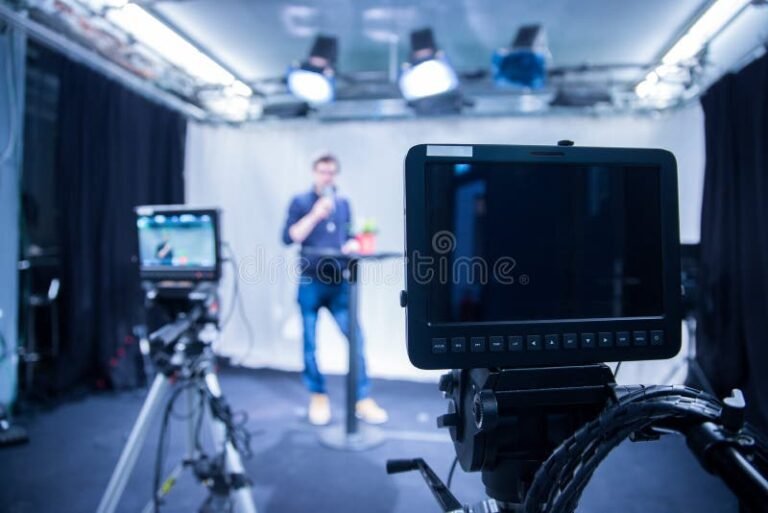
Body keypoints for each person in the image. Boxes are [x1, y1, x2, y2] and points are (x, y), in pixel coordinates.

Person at [282, 153, 388, 426]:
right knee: (309, 342)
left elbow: (348, 236)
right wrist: (315, 214)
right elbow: (290, 237)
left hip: (339, 282)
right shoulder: (301, 202)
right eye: (322, 172)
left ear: (335, 175)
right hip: (310, 282)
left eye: (331, 172)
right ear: (314, 173)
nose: (326, 177)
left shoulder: (343, 204)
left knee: (357, 339)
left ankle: (361, 398)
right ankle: (318, 395)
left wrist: (353, 243)